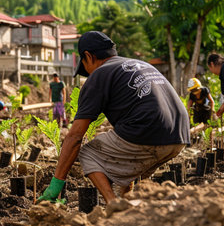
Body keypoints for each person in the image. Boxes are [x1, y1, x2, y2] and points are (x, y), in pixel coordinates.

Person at [38, 31, 190, 204]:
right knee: (130, 169)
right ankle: (130, 207)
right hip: (179, 135)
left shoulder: (99, 74)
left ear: (88, 56)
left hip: (148, 131)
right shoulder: (139, 64)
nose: (87, 73)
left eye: (85, 67)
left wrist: (56, 185)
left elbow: (75, 136)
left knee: (88, 154)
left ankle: (113, 205)